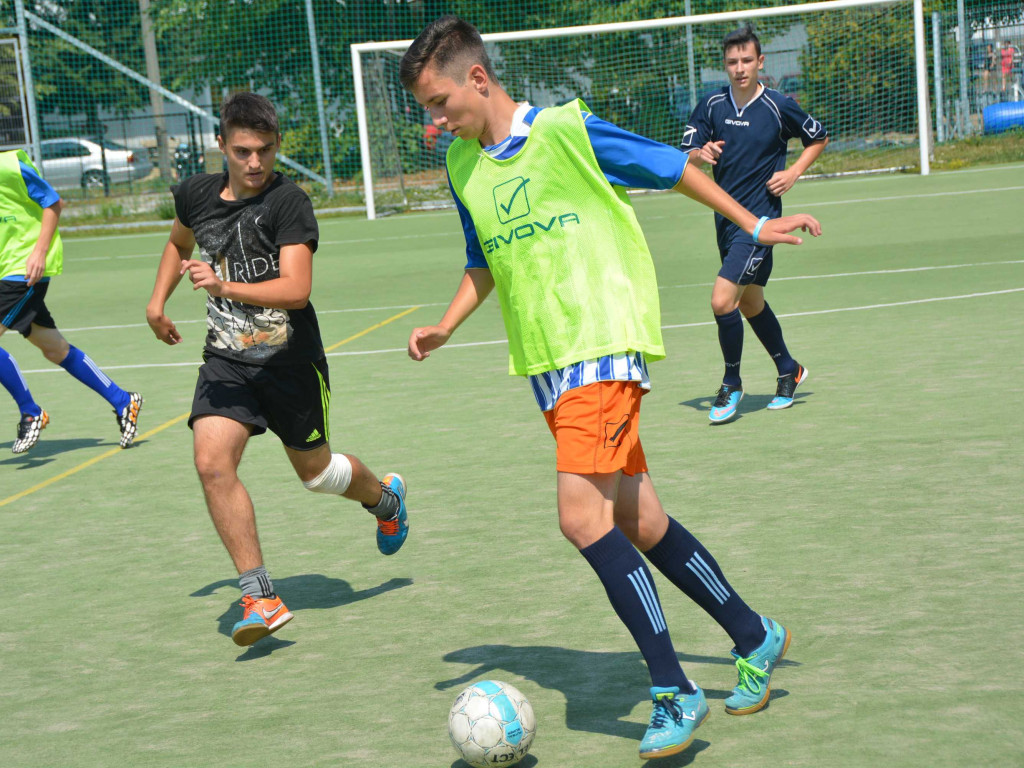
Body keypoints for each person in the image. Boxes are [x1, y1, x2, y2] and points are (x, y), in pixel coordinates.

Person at [399, 16, 820, 760]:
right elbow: (483, 262)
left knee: (580, 517)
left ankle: (673, 688)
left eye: (439, 103)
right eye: (426, 112)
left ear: (477, 78)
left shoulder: (565, 129)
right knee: (639, 519)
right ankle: (754, 636)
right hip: (548, 362)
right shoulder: (464, 169)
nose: (435, 122)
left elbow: (669, 166)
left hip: (603, 340)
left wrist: (753, 224)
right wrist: (445, 326)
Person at [145, 93, 409, 647]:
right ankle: (259, 595)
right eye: (243, 151)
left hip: (291, 363)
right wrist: (156, 303)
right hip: (225, 361)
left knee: (317, 475)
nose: (255, 163)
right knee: (211, 462)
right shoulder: (195, 193)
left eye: (265, 150)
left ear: (276, 146)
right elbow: (178, 241)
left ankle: (384, 499)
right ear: (222, 145)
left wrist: (222, 286)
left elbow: (296, 289)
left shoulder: (289, 203)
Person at [680, 26, 829, 424]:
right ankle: (789, 369)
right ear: (724, 65)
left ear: (760, 62)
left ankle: (732, 382)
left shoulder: (780, 106)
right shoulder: (711, 106)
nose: (740, 68)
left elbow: (818, 136)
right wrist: (702, 152)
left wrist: (795, 170)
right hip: (726, 224)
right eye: (732, 62)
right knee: (750, 303)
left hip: (761, 225)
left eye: (747, 60)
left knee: (721, 300)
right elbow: (687, 155)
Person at [0, 149, 142, 454]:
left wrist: (38, 252)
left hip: (23, 268)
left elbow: (53, 202)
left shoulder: (9, 167)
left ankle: (31, 412)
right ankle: (122, 400)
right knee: (54, 348)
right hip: (5, 268)